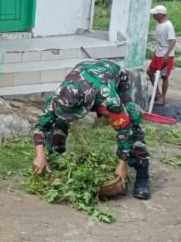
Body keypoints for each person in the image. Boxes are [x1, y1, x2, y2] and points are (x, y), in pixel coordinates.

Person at [31, 59, 151, 199]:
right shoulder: (58, 98)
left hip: (114, 76)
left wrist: (122, 164)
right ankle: (56, 159)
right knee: (57, 121)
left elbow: (124, 130)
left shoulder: (109, 98)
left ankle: (142, 171)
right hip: (84, 71)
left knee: (132, 122)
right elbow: (41, 127)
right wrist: (40, 155)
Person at [148, 4, 175, 106]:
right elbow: (159, 41)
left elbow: (172, 41)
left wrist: (167, 55)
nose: (153, 16)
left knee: (164, 76)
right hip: (158, 54)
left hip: (166, 55)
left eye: (155, 14)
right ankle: (158, 94)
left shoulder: (168, 25)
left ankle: (162, 98)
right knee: (150, 72)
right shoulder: (158, 25)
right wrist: (155, 52)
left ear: (160, 14)